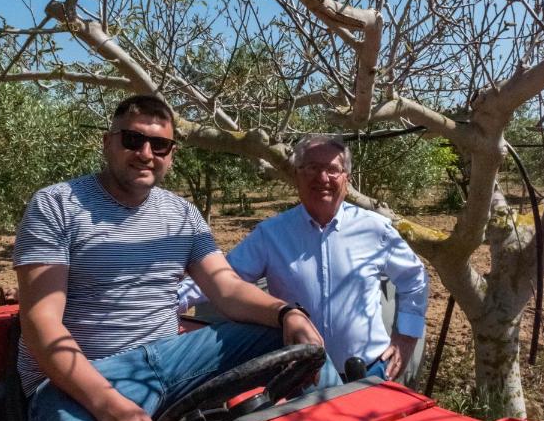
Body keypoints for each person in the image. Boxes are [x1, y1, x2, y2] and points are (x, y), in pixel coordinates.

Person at [13, 95, 341, 421]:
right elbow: (40, 323)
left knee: (298, 347)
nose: (145, 151)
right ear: (109, 143)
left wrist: (288, 313)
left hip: (164, 362)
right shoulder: (59, 205)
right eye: (133, 139)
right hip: (78, 380)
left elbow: (228, 292)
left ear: (171, 153)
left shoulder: (181, 214)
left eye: (159, 144)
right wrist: (105, 401)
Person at [180, 135, 428, 382]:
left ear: (346, 178)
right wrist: (173, 300)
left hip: (369, 373)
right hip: (300, 378)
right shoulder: (272, 234)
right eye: (312, 168)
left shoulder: (374, 228)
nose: (323, 178)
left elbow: (414, 277)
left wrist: (407, 338)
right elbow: (221, 277)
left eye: (332, 170)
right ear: (297, 175)